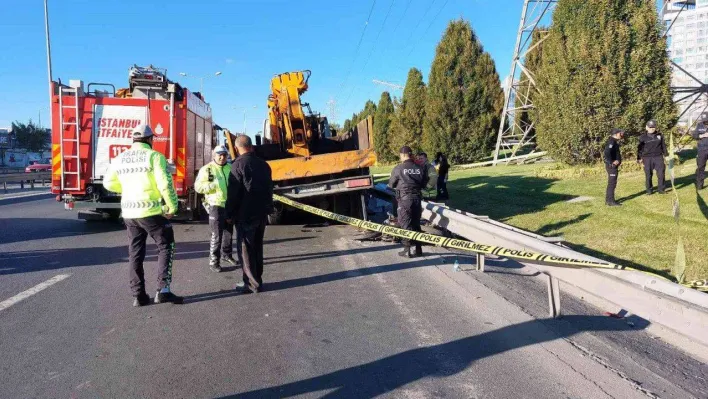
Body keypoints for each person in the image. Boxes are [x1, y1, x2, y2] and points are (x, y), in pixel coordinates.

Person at [103, 124, 183, 306]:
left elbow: (108, 183)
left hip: (130, 213)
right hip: (152, 212)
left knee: (135, 253)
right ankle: (163, 290)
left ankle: (138, 295)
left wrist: (127, 188)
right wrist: (172, 206)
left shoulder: (120, 158)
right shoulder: (155, 156)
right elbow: (165, 184)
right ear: (150, 139)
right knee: (165, 246)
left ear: (133, 139)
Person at [226, 135, 273, 294]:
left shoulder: (237, 166)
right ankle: (257, 278)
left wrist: (229, 213)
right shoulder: (264, 165)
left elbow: (233, 194)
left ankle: (251, 283)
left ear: (237, 148)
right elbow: (269, 189)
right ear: (251, 146)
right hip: (261, 213)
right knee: (258, 247)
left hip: (245, 214)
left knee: (245, 249)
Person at [195, 145, 239, 273]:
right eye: (219, 154)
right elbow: (198, 187)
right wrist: (213, 185)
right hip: (215, 205)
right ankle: (214, 261)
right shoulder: (207, 169)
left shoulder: (230, 167)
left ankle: (226, 255)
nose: (222, 157)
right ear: (214, 155)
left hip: (229, 205)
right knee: (216, 235)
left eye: (224, 155)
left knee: (229, 232)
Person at [388, 146, 428, 258]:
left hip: (405, 200)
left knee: (405, 224)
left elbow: (391, 184)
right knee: (416, 224)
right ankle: (419, 249)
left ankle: (407, 249)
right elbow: (424, 184)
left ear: (403, 155)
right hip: (417, 199)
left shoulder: (399, 168)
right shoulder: (420, 168)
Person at [637, 120, 668, 195]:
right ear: (646, 127)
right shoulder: (642, 137)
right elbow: (639, 149)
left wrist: (666, 155)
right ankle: (649, 190)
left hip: (658, 157)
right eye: (650, 127)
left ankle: (661, 189)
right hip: (647, 158)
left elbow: (663, 146)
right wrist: (639, 158)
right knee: (648, 175)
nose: (652, 128)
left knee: (661, 174)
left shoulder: (660, 135)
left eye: (653, 127)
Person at [603, 128, 625, 206]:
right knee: (612, 183)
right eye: (620, 133)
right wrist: (611, 162)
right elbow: (606, 152)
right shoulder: (611, 142)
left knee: (612, 183)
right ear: (615, 134)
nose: (621, 135)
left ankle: (608, 200)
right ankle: (611, 201)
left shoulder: (614, 141)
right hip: (611, 166)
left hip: (612, 166)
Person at [691, 112, 708, 190]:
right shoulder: (699, 125)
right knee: (700, 167)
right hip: (702, 150)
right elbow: (694, 135)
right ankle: (699, 185)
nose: (705, 122)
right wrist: (702, 135)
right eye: (704, 120)